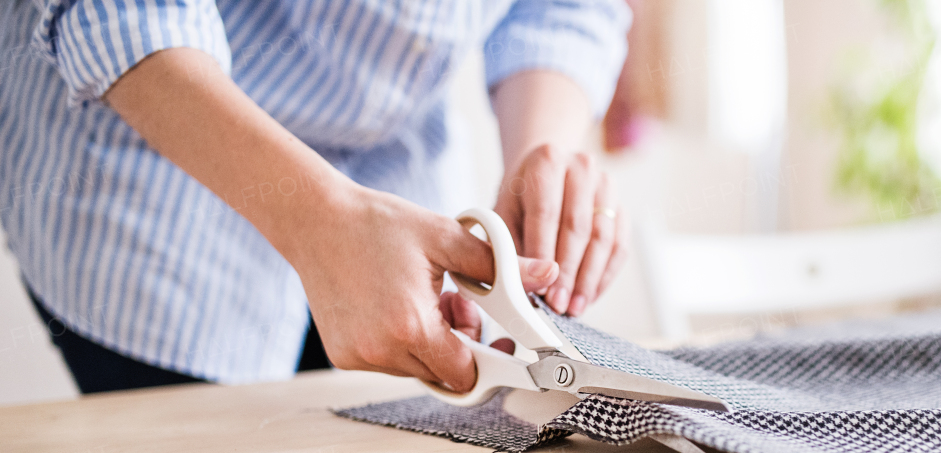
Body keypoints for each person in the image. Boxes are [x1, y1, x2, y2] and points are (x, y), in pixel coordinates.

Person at [0, 0, 631, 393]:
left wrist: (537, 153)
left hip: (397, 173)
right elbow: (117, 12)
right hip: (158, 188)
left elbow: (561, 7)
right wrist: (318, 222)